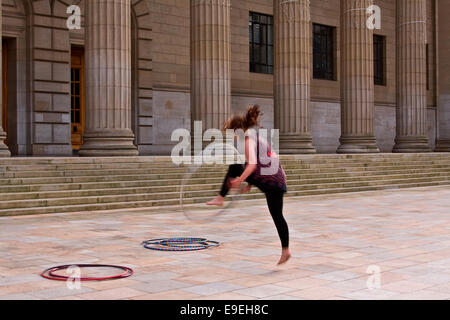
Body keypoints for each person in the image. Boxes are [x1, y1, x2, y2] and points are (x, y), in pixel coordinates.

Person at [206, 105, 291, 265]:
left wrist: (239, 181)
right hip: (276, 180)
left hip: (271, 181)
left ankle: (220, 197)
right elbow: (268, 160)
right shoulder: (257, 138)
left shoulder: (247, 140)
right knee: (278, 216)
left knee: (235, 167)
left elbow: (252, 165)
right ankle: (286, 250)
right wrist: (251, 183)